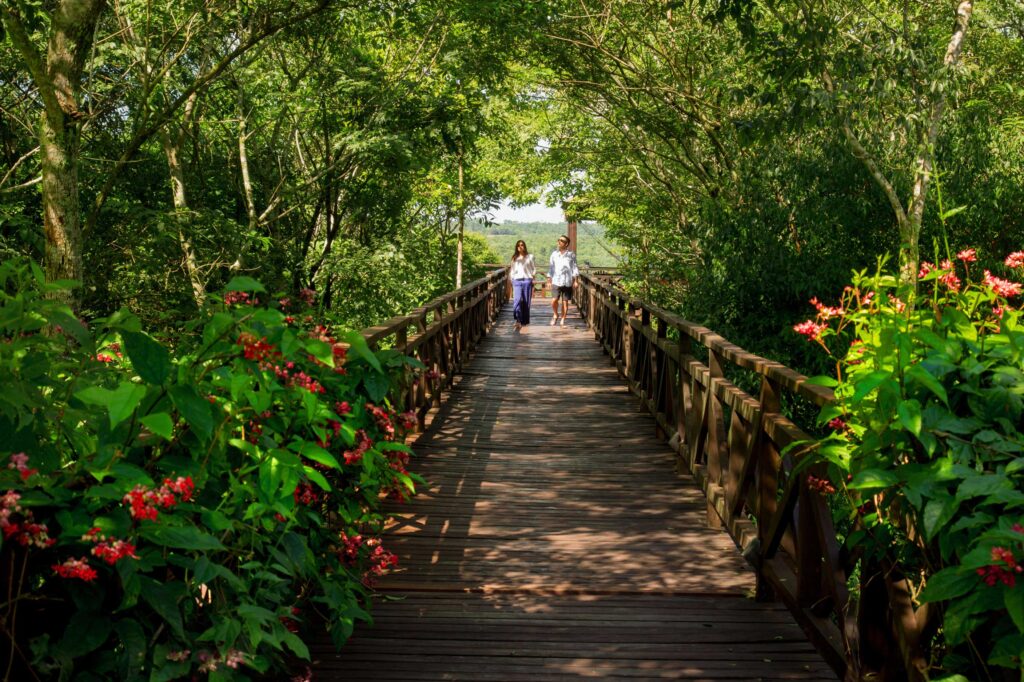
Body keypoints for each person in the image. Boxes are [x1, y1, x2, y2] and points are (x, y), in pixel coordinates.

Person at [548, 234, 579, 326]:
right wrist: (549, 280)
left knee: (565, 302)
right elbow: (551, 268)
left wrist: (576, 280)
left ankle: (563, 319)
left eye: (561, 241)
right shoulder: (554, 254)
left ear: (566, 244)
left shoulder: (571, 255)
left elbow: (575, 268)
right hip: (556, 280)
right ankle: (555, 314)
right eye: (559, 240)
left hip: (567, 281)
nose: (559, 242)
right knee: (554, 300)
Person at [509, 240, 535, 331]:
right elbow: (512, 270)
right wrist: (511, 279)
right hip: (517, 280)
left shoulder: (530, 257)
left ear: (524, 246)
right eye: (518, 245)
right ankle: (517, 319)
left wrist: (532, 277)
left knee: (526, 301)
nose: (520, 246)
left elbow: (533, 268)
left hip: (527, 280)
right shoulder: (514, 258)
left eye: (522, 245)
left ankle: (524, 321)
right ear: (516, 247)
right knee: (517, 300)